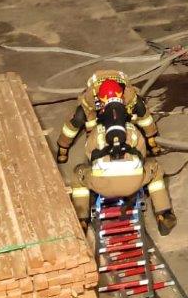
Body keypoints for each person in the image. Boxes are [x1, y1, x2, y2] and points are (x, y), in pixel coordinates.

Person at [67, 77, 177, 235]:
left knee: (78, 174)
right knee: (155, 170)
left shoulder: (96, 132)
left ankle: (81, 220)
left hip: (101, 184)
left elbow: (90, 155)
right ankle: (164, 214)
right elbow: (142, 155)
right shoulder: (133, 130)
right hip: (134, 182)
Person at [55, 69, 159, 164]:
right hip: (95, 95)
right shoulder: (90, 97)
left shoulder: (129, 95)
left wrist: (149, 136)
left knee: (141, 109)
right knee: (78, 118)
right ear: (99, 98)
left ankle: (151, 140)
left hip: (120, 85)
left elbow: (144, 118)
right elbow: (90, 117)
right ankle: (63, 146)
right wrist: (92, 138)